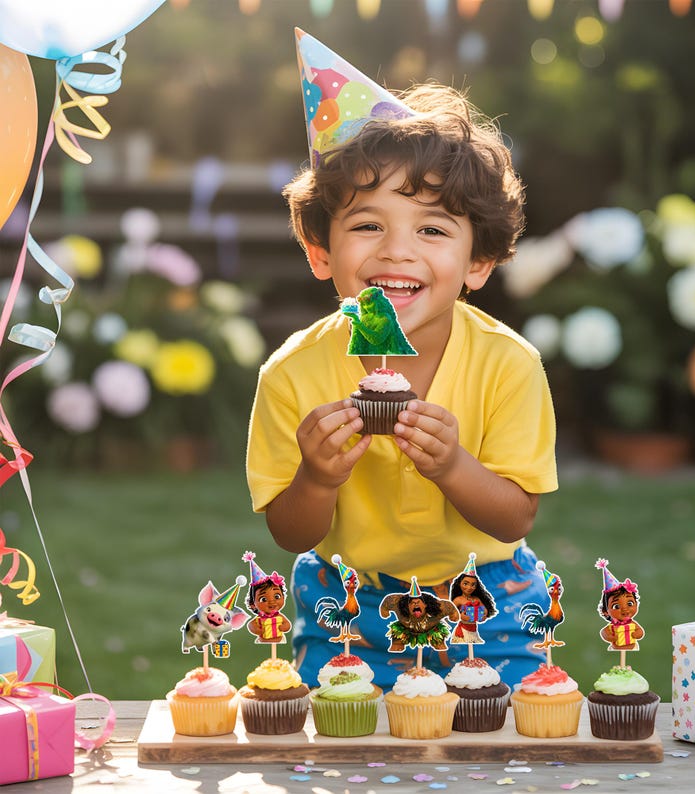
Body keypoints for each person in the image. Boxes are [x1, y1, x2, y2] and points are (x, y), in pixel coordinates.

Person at [246, 30, 558, 689]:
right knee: (348, 741)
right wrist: (317, 478)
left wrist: (453, 465)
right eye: (367, 225)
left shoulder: (509, 365)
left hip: (489, 598)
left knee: (497, 741)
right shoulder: (292, 373)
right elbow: (291, 533)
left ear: (478, 262)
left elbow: (516, 516)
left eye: (432, 229)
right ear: (320, 251)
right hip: (349, 599)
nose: (396, 251)